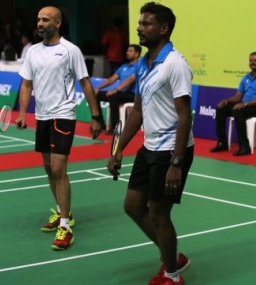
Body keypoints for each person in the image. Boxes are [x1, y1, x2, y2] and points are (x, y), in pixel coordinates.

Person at [107, 2, 193, 285]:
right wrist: (119, 149)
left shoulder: (175, 64)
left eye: (146, 24)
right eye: (140, 23)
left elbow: (184, 118)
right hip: (150, 146)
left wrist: (176, 165)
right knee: (132, 206)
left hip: (172, 150)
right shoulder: (143, 65)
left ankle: (172, 274)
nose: (139, 28)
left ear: (163, 29)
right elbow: (138, 112)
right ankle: (172, 255)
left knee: (158, 213)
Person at [15, 6, 103, 250]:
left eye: (45, 19)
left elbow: (85, 83)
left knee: (58, 168)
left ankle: (65, 226)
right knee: (47, 167)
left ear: (57, 23)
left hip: (63, 114)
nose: (40, 23)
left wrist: (96, 116)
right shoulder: (32, 52)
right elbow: (26, 85)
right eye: (38, 19)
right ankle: (64, 211)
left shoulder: (70, 50)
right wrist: (23, 113)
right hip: (42, 116)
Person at [210, 52, 256, 156]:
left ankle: (244, 147)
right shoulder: (246, 77)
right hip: (246, 106)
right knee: (220, 109)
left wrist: (244, 104)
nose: (253, 62)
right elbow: (238, 96)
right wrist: (228, 100)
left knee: (237, 110)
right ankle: (222, 143)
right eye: (251, 60)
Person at [94, 44, 142, 134]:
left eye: (130, 51)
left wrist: (116, 90)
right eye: (127, 51)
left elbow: (131, 80)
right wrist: (98, 88)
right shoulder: (123, 66)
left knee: (113, 96)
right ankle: (101, 124)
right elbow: (112, 79)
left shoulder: (139, 66)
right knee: (96, 95)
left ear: (136, 54)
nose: (127, 53)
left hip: (133, 94)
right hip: (121, 93)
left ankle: (115, 128)